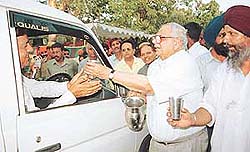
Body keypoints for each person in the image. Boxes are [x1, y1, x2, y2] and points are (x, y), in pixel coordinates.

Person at [84, 22, 207, 152]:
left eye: (161, 38)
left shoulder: (184, 63)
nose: (155, 42)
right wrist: (142, 95)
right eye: (155, 37)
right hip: (158, 143)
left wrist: (109, 73)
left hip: (183, 144)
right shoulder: (155, 65)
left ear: (177, 43)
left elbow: (149, 86)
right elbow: (158, 92)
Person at [167, 5, 250, 152]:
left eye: (232, 34)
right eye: (224, 34)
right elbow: (210, 106)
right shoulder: (224, 69)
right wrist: (192, 119)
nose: (226, 40)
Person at [16, 28, 101, 111]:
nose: (30, 49)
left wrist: (68, 85)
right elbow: (36, 121)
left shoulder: (73, 63)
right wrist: (71, 95)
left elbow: (36, 87)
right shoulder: (46, 65)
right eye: (25, 45)